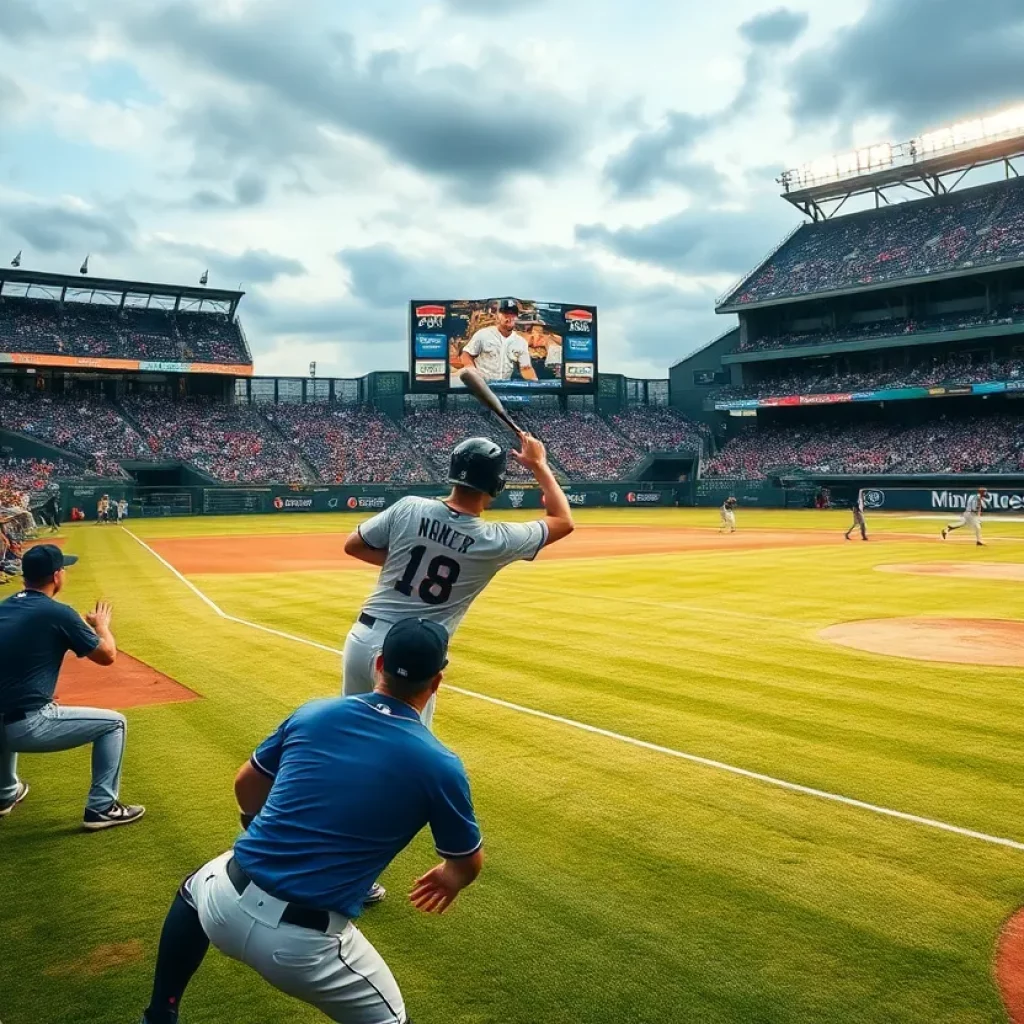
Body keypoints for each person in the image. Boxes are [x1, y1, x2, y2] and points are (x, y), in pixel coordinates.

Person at [139, 618, 482, 1024]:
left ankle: (160, 1014)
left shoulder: (313, 713)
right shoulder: (440, 764)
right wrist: (449, 878)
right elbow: (466, 862)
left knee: (194, 889)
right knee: (391, 1020)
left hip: (225, 904)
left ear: (378, 664)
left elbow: (246, 783)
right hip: (304, 949)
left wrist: (252, 820)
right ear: (437, 682)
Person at [342, 434, 573, 728]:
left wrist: (405, 559)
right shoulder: (495, 541)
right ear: (497, 485)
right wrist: (539, 465)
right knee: (405, 746)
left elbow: (354, 545)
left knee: (351, 736)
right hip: (414, 654)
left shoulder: (409, 507)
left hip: (361, 639)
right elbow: (563, 521)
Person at [0, 544, 145, 828]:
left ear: (25, 576)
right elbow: (107, 656)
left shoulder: (4, 607)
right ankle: (102, 807)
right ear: (56, 576)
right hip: (26, 728)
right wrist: (101, 626)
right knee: (115, 724)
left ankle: (5, 793)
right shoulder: (58, 613)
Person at [458, 299, 538, 383]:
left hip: (504, 386)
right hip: (481, 384)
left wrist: (535, 383)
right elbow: (466, 354)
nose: (509, 318)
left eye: (513, 314)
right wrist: (471, 369)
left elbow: (526, 368)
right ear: (498, 316)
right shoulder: (483, 334)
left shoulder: (521, 342)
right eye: (505, 314)